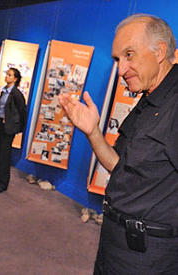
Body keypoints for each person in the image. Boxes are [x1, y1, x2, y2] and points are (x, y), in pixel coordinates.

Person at [59, 14, 178, 274]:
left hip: (150, 256)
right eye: (117, 59)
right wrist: (92, 132)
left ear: (159, 52)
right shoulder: (148, 99)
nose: (121, 69)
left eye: (129, 55)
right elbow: (120, 166)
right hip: (116, 244)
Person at [0, 68, 27, 193]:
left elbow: (22, 112)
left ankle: (3, 183)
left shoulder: (17, 94)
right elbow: (0, 107)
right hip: (0, 124)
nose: (7, 76)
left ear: (15, 79)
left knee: (4, 155)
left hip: (8, 128)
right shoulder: (4, 91)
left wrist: (17, 127)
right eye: (7, 74)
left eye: (9, 75)